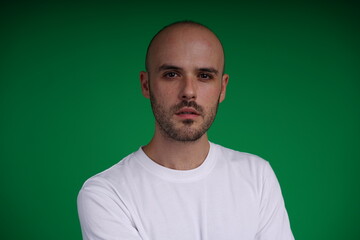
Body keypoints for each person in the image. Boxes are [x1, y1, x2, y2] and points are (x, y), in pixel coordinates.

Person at [77, 21, 295, 240]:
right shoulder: (106, 193)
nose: (189, 92)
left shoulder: (257, 176)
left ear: (223, 87)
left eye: (204, 76)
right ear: (146, 84)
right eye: (172, 74)